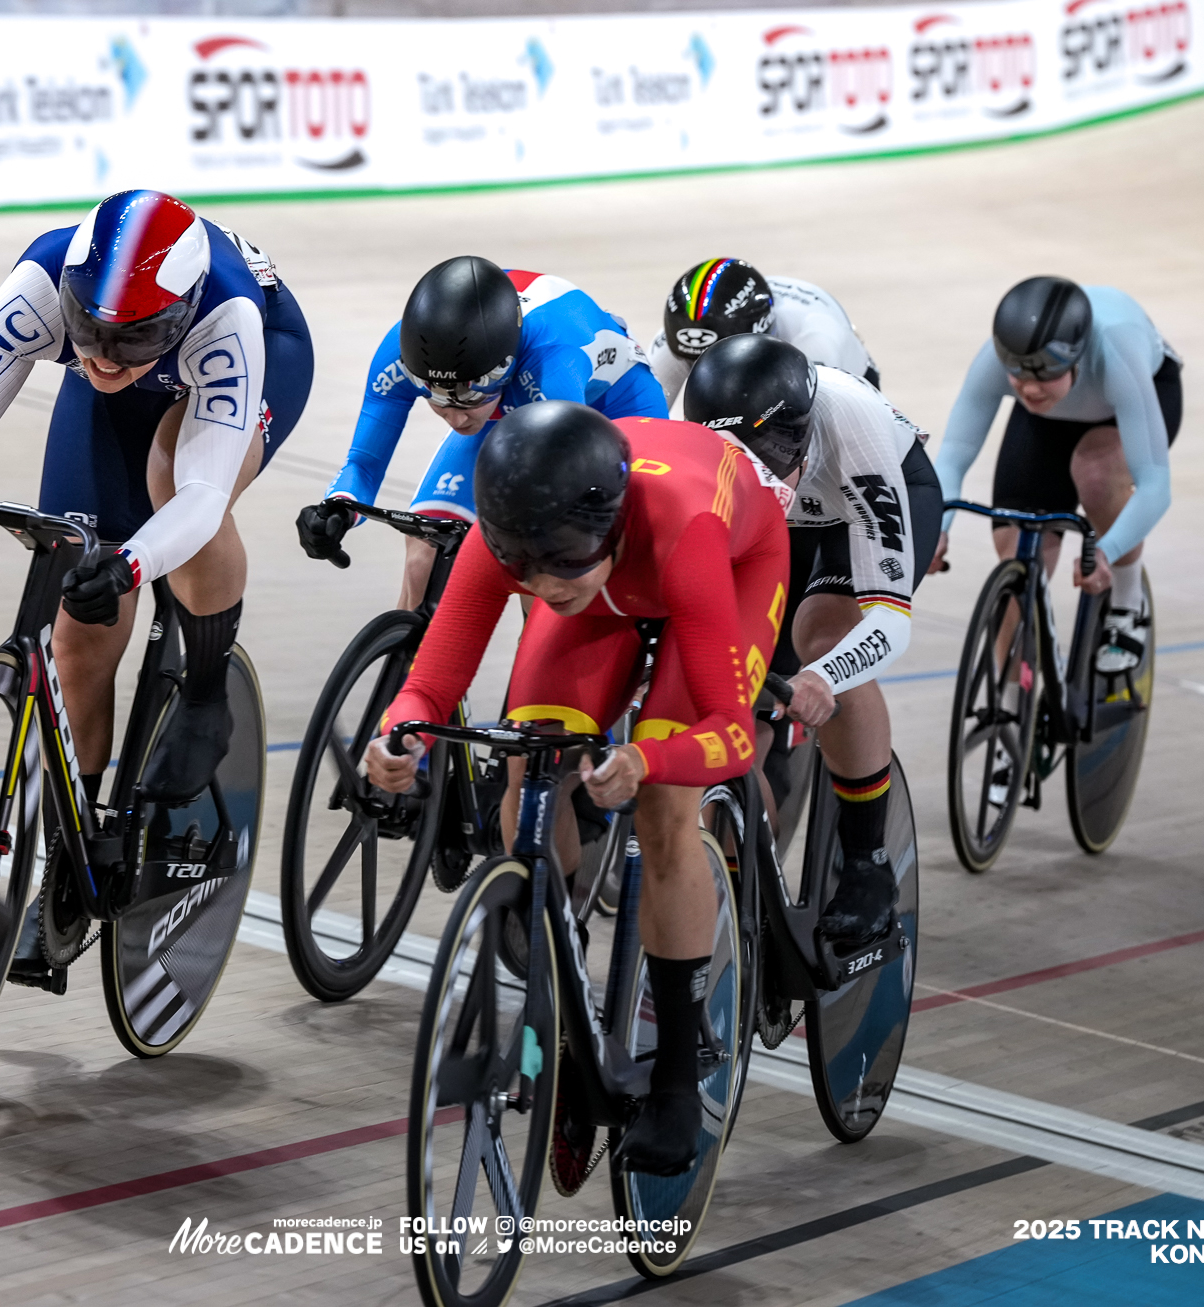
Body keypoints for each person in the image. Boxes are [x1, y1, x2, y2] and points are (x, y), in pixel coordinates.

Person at [362, 401, 791, 1177]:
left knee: (664, 806)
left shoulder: (683, 534)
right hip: (615, 574)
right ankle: (559, 983)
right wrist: (400, 735)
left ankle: (674, 1080)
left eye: (558, 561)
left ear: (608, 528)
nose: (537, 584)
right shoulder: (523, 534)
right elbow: (429, 682)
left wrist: (650, 764)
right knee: (529, 758)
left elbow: (729, 735)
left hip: (728, 561)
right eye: (520, 565)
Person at [0, 191, 312, 808]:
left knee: (169, 477)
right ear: (69, 300)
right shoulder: (43, 281)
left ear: (178, 318)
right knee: (77, 640)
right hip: (148, 370)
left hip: (267, 350)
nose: (104, 357)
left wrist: (130, 566)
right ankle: (70, 837)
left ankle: (207, 694)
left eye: (134, 338)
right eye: (88, 331)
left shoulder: (224, 318)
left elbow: (203, 498)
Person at [683, 334, 941, 945]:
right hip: (772, 518)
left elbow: (890, 624)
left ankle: (865, 862)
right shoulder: (687, 423)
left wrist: (825, 676)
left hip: (862, 503)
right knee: (735, 687)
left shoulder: (852, 424)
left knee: (826, 633)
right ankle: (746, 869)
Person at [295, 256, 667, 608]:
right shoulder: (401, 352)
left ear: (503, 368)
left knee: (551, 573)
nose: (456, 418)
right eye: (435, 397)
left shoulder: (551, 362)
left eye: (469, 395)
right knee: (425, 555)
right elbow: (364, 462)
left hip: (618, 406)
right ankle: (404, 670)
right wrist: (338, 508)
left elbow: (559, 484)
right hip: (512, 413)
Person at [930, 276, 1180, 673]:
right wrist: (936, 527)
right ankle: (1012, 703)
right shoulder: (999, 360)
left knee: (1096, 475)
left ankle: (1128, 603)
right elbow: (953, 457)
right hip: (1049, 418)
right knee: (1017, 549)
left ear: (1076, 358)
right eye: (1018, 375)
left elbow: (1155, 487)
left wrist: (1106, 552)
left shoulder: (1117, 353)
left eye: (1044, 374)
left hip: (1130, 400)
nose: (1028, 389)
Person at [649, 257, 880, 409]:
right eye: (692, 361)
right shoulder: (683, 335)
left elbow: (815, 433)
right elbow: (644, 419)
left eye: (718, 361)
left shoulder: (815, 340)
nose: (703, 369)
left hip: (846, 376)